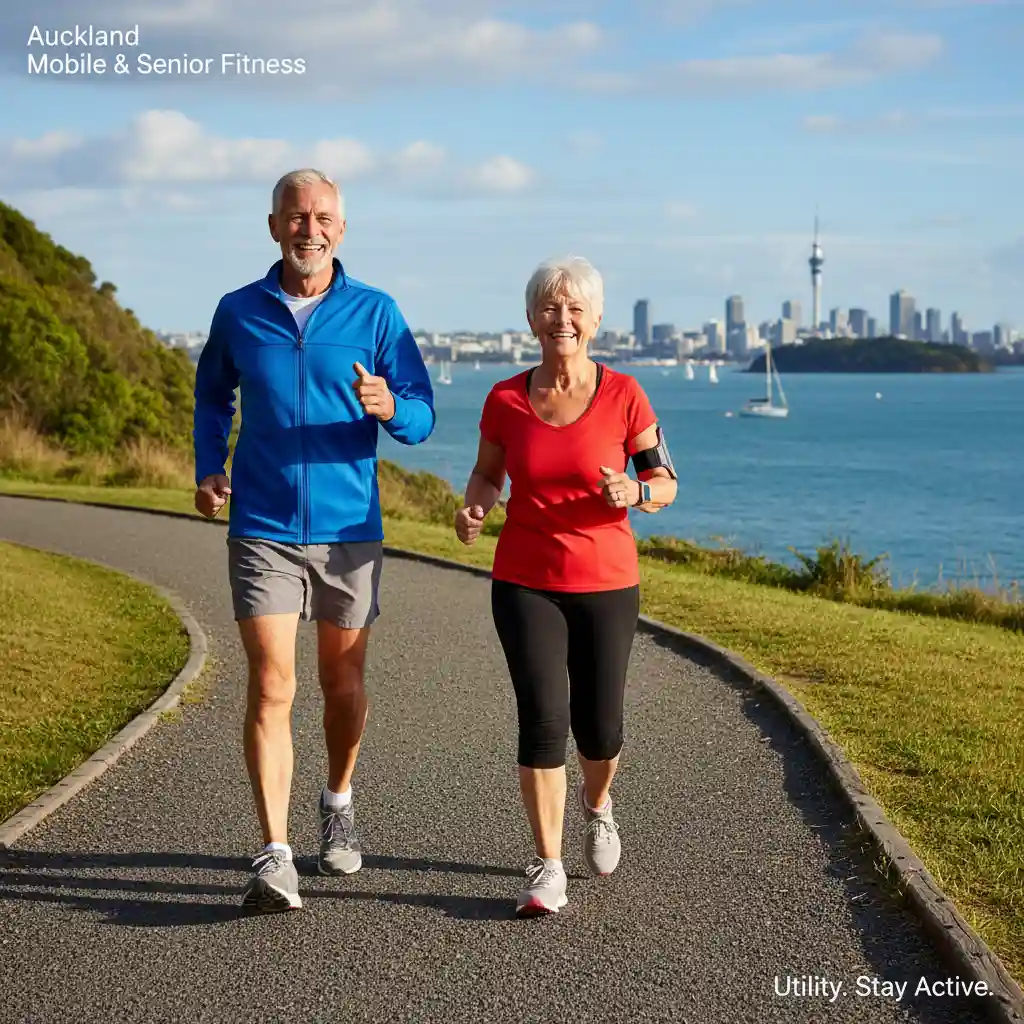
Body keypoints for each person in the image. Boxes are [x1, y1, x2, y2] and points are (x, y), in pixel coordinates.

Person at [193, 168, 435, 913]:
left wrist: (390, 405)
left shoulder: (376, 312)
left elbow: (421, 416)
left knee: (342, 682)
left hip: (348, 532)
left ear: (342, 229)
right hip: (262, 525)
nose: (310, 229)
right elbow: (212, 395)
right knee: (272, 683)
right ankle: (274, 855)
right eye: (296, 216)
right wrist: (209, 466)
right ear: (274, 227)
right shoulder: (238, 310)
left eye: (323, 217)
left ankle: (337, 800)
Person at [454, 255, 678, 916]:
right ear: (531, 319)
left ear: (596, 319)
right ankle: (547, 863)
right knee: (543, 720)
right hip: (525, 579)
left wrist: (635, 491)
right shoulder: (505, 399)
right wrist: (475, 508)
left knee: (600, 728)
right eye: (550, 308)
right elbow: (487, 475)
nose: (563, 319)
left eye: (575, 308)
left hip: (607, 580)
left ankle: (598, 804)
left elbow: (666, 482)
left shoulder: (625, 394)